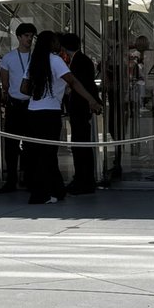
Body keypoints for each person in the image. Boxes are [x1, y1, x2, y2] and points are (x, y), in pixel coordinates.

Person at [26, 31, 102, 205]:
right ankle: (40, 193)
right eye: (55, 41)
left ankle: (57, 189)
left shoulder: (34, 61)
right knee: (48, 153)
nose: (57, 44)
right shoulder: (55, 60)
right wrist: (91, 100)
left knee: (43, 152)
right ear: (51, 43)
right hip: (50, 112)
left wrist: (40, 91)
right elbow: (73, 82)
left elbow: (24, 88)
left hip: (33, 111)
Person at [59, 32, 99, 194]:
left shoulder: (79, 62)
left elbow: (79, 85)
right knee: (80, 144)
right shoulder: (81, 60)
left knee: (80, 145)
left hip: (80, 109)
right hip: (80, 108)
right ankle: (82, 178)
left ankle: (84, 180)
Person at [0, 22, 35, 193]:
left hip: (32, 104)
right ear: (19, 37)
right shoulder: (8, 58)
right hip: (15, 104)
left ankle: (28, 177)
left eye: (31, 36)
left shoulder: (36, 57)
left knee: (30, 144)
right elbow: (4, 83)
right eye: (26, 36)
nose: (29, 39)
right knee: (11, 144)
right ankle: (11, 179)